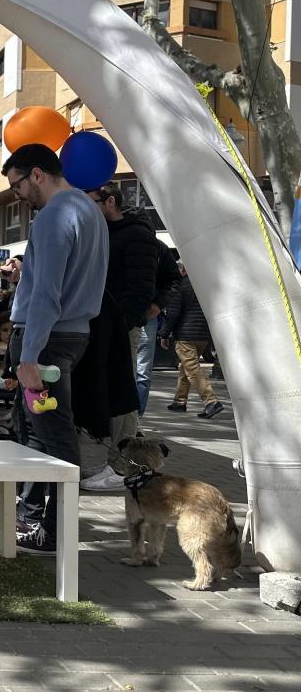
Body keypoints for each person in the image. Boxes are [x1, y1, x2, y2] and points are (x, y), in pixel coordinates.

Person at [0, 144, 108, 554]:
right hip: (68, 335)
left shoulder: (54, 216)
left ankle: (56, 533)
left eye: (17, 185)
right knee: (39, 432)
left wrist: (28, 357)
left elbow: (47, 293)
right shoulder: (89, 210)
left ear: (37, 174)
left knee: (54, 436)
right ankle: (32, 518)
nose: (18, 195)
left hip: (46, 340)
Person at [80, 181, 157, 491]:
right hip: (96, 324)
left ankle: (123, 464)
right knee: (104, 391)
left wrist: (119, 324)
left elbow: (141, 288)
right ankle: (112, 460)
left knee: (123, 395)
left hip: (119, 327)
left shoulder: (138, 235)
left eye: (92, 202)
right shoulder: (99, 233)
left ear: (109, 201)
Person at [164, 265, 224, 418]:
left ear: (183, 269)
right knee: (186, 368)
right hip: (202, 335)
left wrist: (164, 333)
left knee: (192, 370)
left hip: (185, 334)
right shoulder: (205, 284)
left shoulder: (181, 284)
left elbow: (173, 312)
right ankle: (179, 401)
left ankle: (211, 401)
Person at [139, 239, 182, 413]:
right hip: (137, 313)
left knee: (141, 371)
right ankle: (132, 419)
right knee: (140, 371)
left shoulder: (156, 247)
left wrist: (158, 304)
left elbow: (174, 280)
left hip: (144, 314)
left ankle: (135, 418)